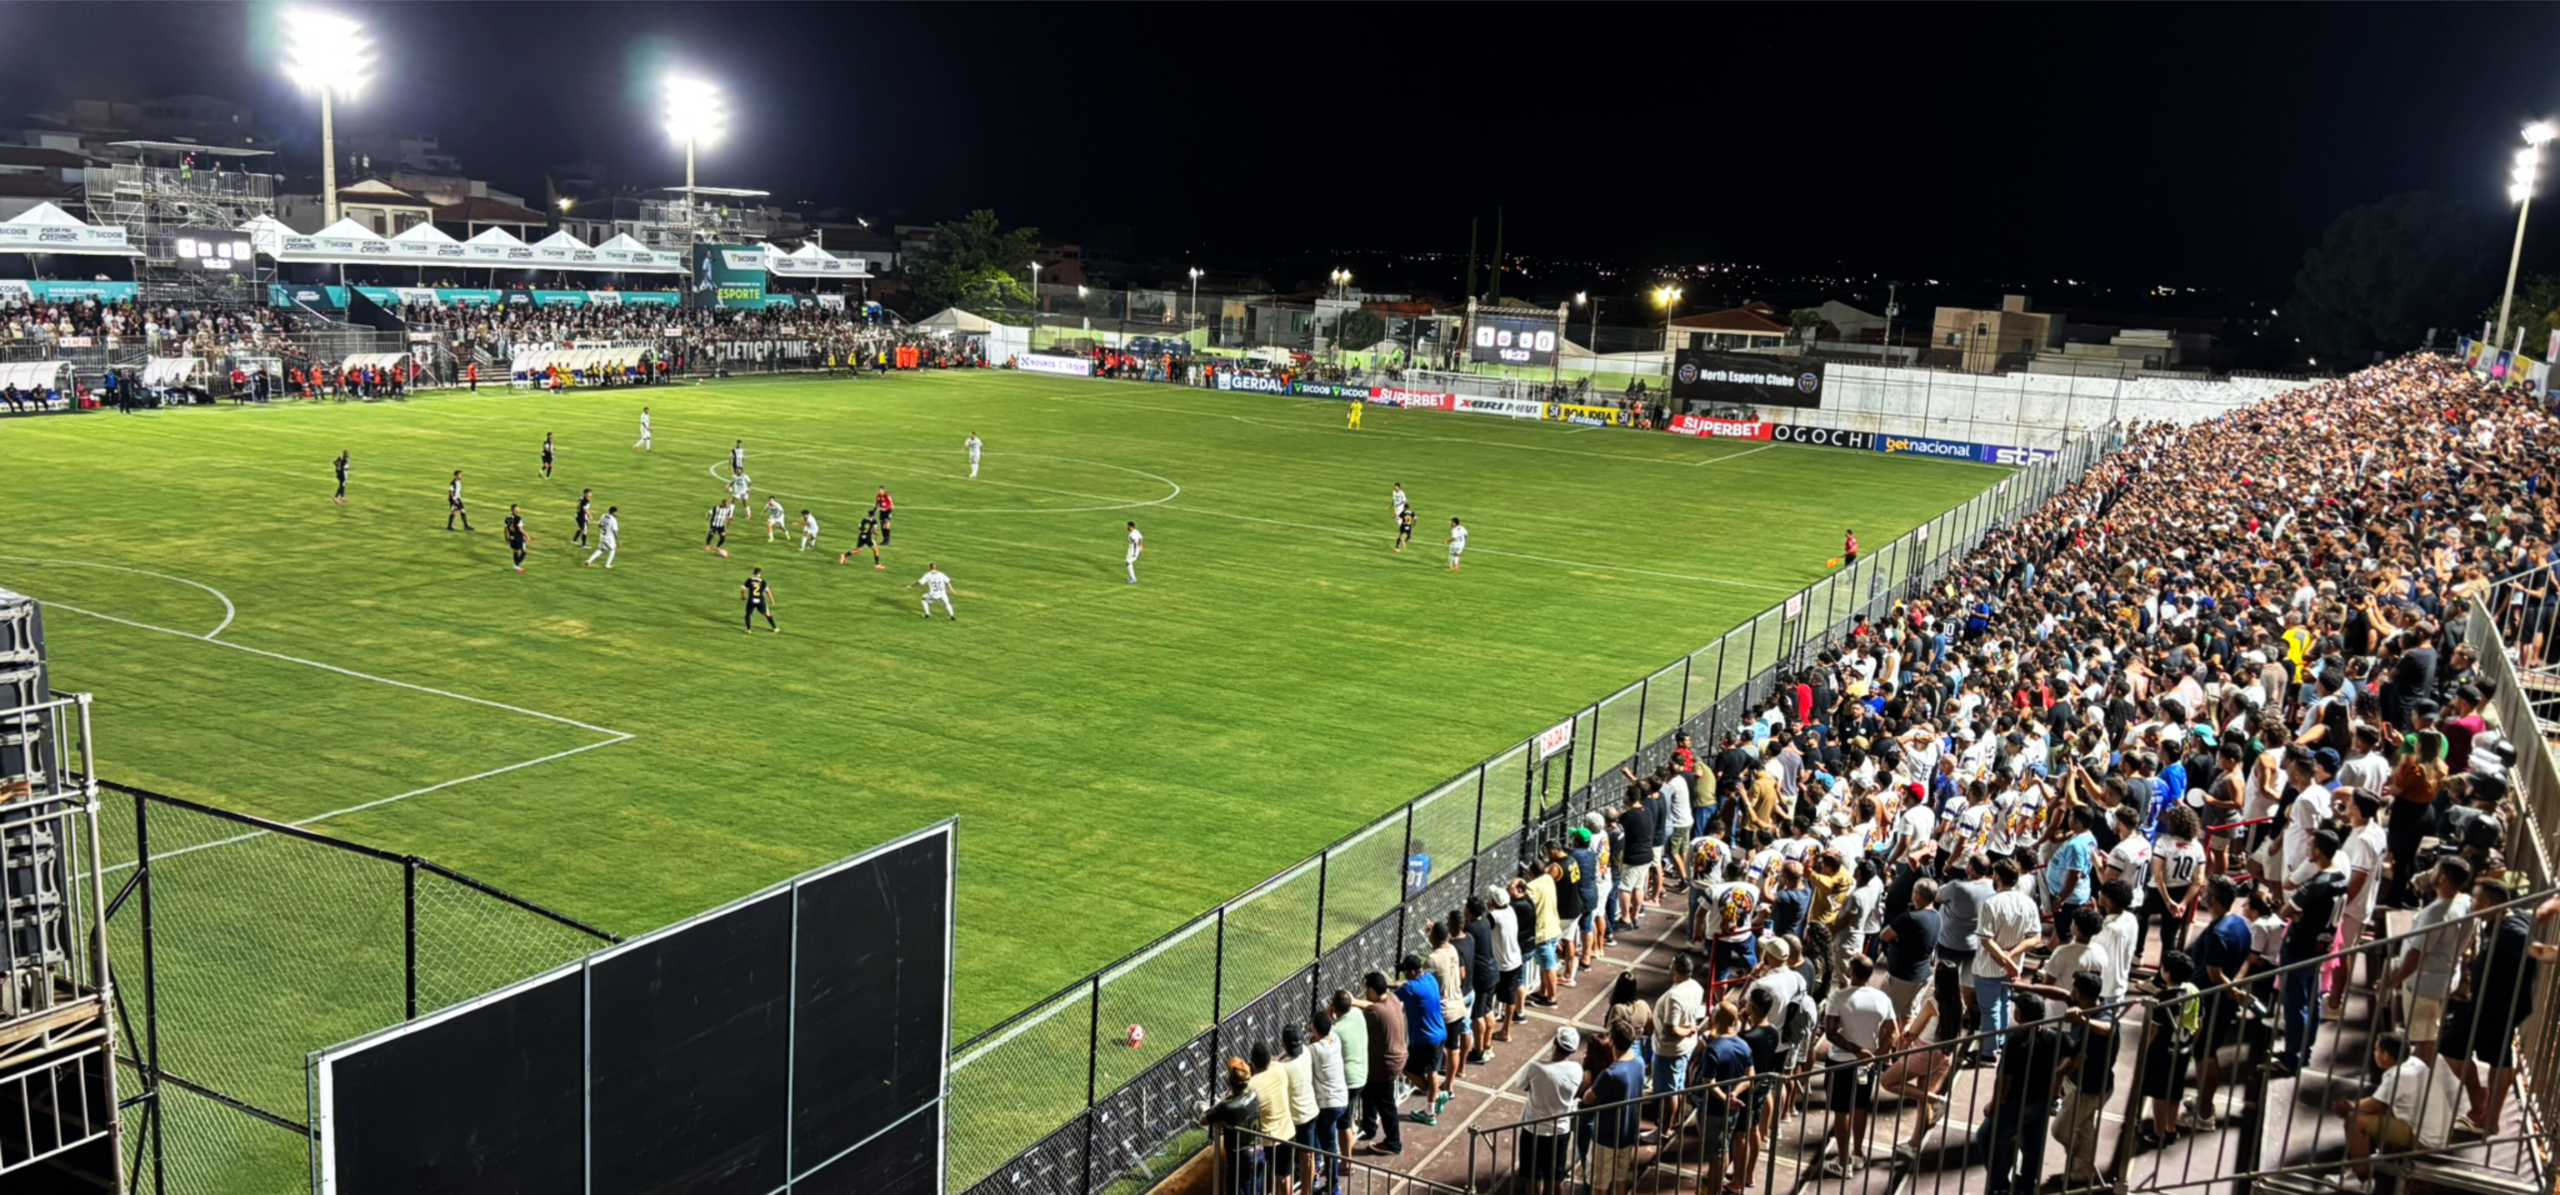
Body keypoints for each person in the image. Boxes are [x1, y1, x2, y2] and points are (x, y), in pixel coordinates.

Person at [2333, 1033, 2465, 1179]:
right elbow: (2379, 1104)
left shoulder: (2396, 1076)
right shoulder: (2414, 1062)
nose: (2374, 1053)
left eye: (2376, 1050)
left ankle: (2361, 1178)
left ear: (2386, 1055)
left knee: (2355, 1120)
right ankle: (2389, 1158)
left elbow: (2371, 1106)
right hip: (2441, 1133)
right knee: (2382, 1108)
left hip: (2427, 1140)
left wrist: (2348, 1106)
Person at [1820, 955, 1898, 1177]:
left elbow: (1831, 1033)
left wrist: (1855, 1050)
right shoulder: (1882, 999)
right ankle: (1857, 1154)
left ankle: (1843, 1163)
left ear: (1852, 973)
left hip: (1840, 1063)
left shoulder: (1838, 998)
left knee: (1841, 1111)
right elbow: (1894, 1033)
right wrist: (1875, 1055)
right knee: (1860, 1107)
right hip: (1867, 1065)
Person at [1979, 990, 2060, 1195]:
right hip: (2040, 1100)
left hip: (2015, 1102)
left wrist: (1994, 1105)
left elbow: (2005, 1079)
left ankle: (1999, 1185)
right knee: (2033, 1144)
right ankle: (2027, 1186)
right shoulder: (2052, 1036)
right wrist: (2055, 1090)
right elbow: (2074, 1054)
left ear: (2019, 1015)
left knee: (1987, 1137)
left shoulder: (2015, 1040)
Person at [2137, 951, 2201, 1152]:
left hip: (2163, 1052)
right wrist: (2190, 1044)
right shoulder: (2194, 992)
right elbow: (2199, 1023)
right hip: (2183, 1049)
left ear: (2167, 973)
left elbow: (2154, 1031)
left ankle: (2159, 1132)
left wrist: (2143, 1052)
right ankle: (2171, 1127)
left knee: (2159, 1093)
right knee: (2175, 1091)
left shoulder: (2162, 999)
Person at [1516, 1028, 1581, 1195]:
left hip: (1534, 1130)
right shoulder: (1576, 1070)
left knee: (1534, 1177)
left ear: (1554, 1045)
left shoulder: (1535, 1067)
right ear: (1573, 1050)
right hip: (1561, 1130)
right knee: (1555, 1176)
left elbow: (1522, 1085)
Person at [1585, 1026, 1646, 1195]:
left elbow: (1588, 1098)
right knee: (1621, 1180)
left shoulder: (1610, 1074)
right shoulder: (1639, 1062)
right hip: (1627, 1134)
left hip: (1606, 1136)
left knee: (1600, 1185)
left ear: (1611, 1041)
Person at [1650, 953, 1707, 1134]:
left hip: (1670, 1050)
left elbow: (1671, 1028)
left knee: (1669, 1092)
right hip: (1686, 1046)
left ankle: (1664, 1130)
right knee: (1679, 1085)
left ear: (1676, 970)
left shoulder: (1674, 996)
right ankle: (1675, 1119)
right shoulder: (1696, 987)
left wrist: (1688, 1030)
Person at [1355, 971, 1406, 1157]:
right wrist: (1354, 1001)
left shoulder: (1375, 1012)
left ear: (1373, 991)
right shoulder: (1391, 999)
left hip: (1386, 1065)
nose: (1365, 992)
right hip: (1394, 1059)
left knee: (1386, 1104)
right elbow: (1370, 1004)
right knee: (1368, 1090)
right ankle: (1369, 1126)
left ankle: (1393, 1143)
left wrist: (1348, 1004)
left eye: (1366, 989)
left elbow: (1368, 1011)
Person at [1198, 1058, 1264, 1195]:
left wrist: (1222, 1106)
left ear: (1230, 1082)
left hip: (1241, 1158)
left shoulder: (1227, 1106)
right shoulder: (1253, 1093)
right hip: (1259, 1151)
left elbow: (1203, 1120)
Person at [1395, 953, 1446, 1127]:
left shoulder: (1410, 989)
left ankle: (1436, 1098)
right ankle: (1431, 1109)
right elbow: (1404, 985)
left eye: (1405, 972)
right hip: (1439, 1034)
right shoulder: (1430, 979)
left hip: (1425, 1039)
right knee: (1433, 1071)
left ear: (1410, 972)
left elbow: (1393, 998)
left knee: (1407, 1069)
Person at [741, 568, 778, 634]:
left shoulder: (749, 580)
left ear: (753, 573)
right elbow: (768, 592)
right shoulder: (763, 582)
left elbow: (743, 590)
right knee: (767, 614)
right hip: (760, 600)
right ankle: (775, 628)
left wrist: (743, 596)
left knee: (748, 614)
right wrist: (772, 601)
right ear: (759, 574)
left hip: (751, 600)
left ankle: (749, 629)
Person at [503, 503, 530, 573]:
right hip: (519, 538)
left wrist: (506, 538)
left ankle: (517, 568)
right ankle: (516, 566)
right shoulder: (518, 518)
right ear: (515, 510)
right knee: (524, 552)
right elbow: (520, 529)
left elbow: (505, 529)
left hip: (512, 538)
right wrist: (527, 535)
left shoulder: (507, 518)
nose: (519, 509)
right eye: (518, 508)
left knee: (516, 551)